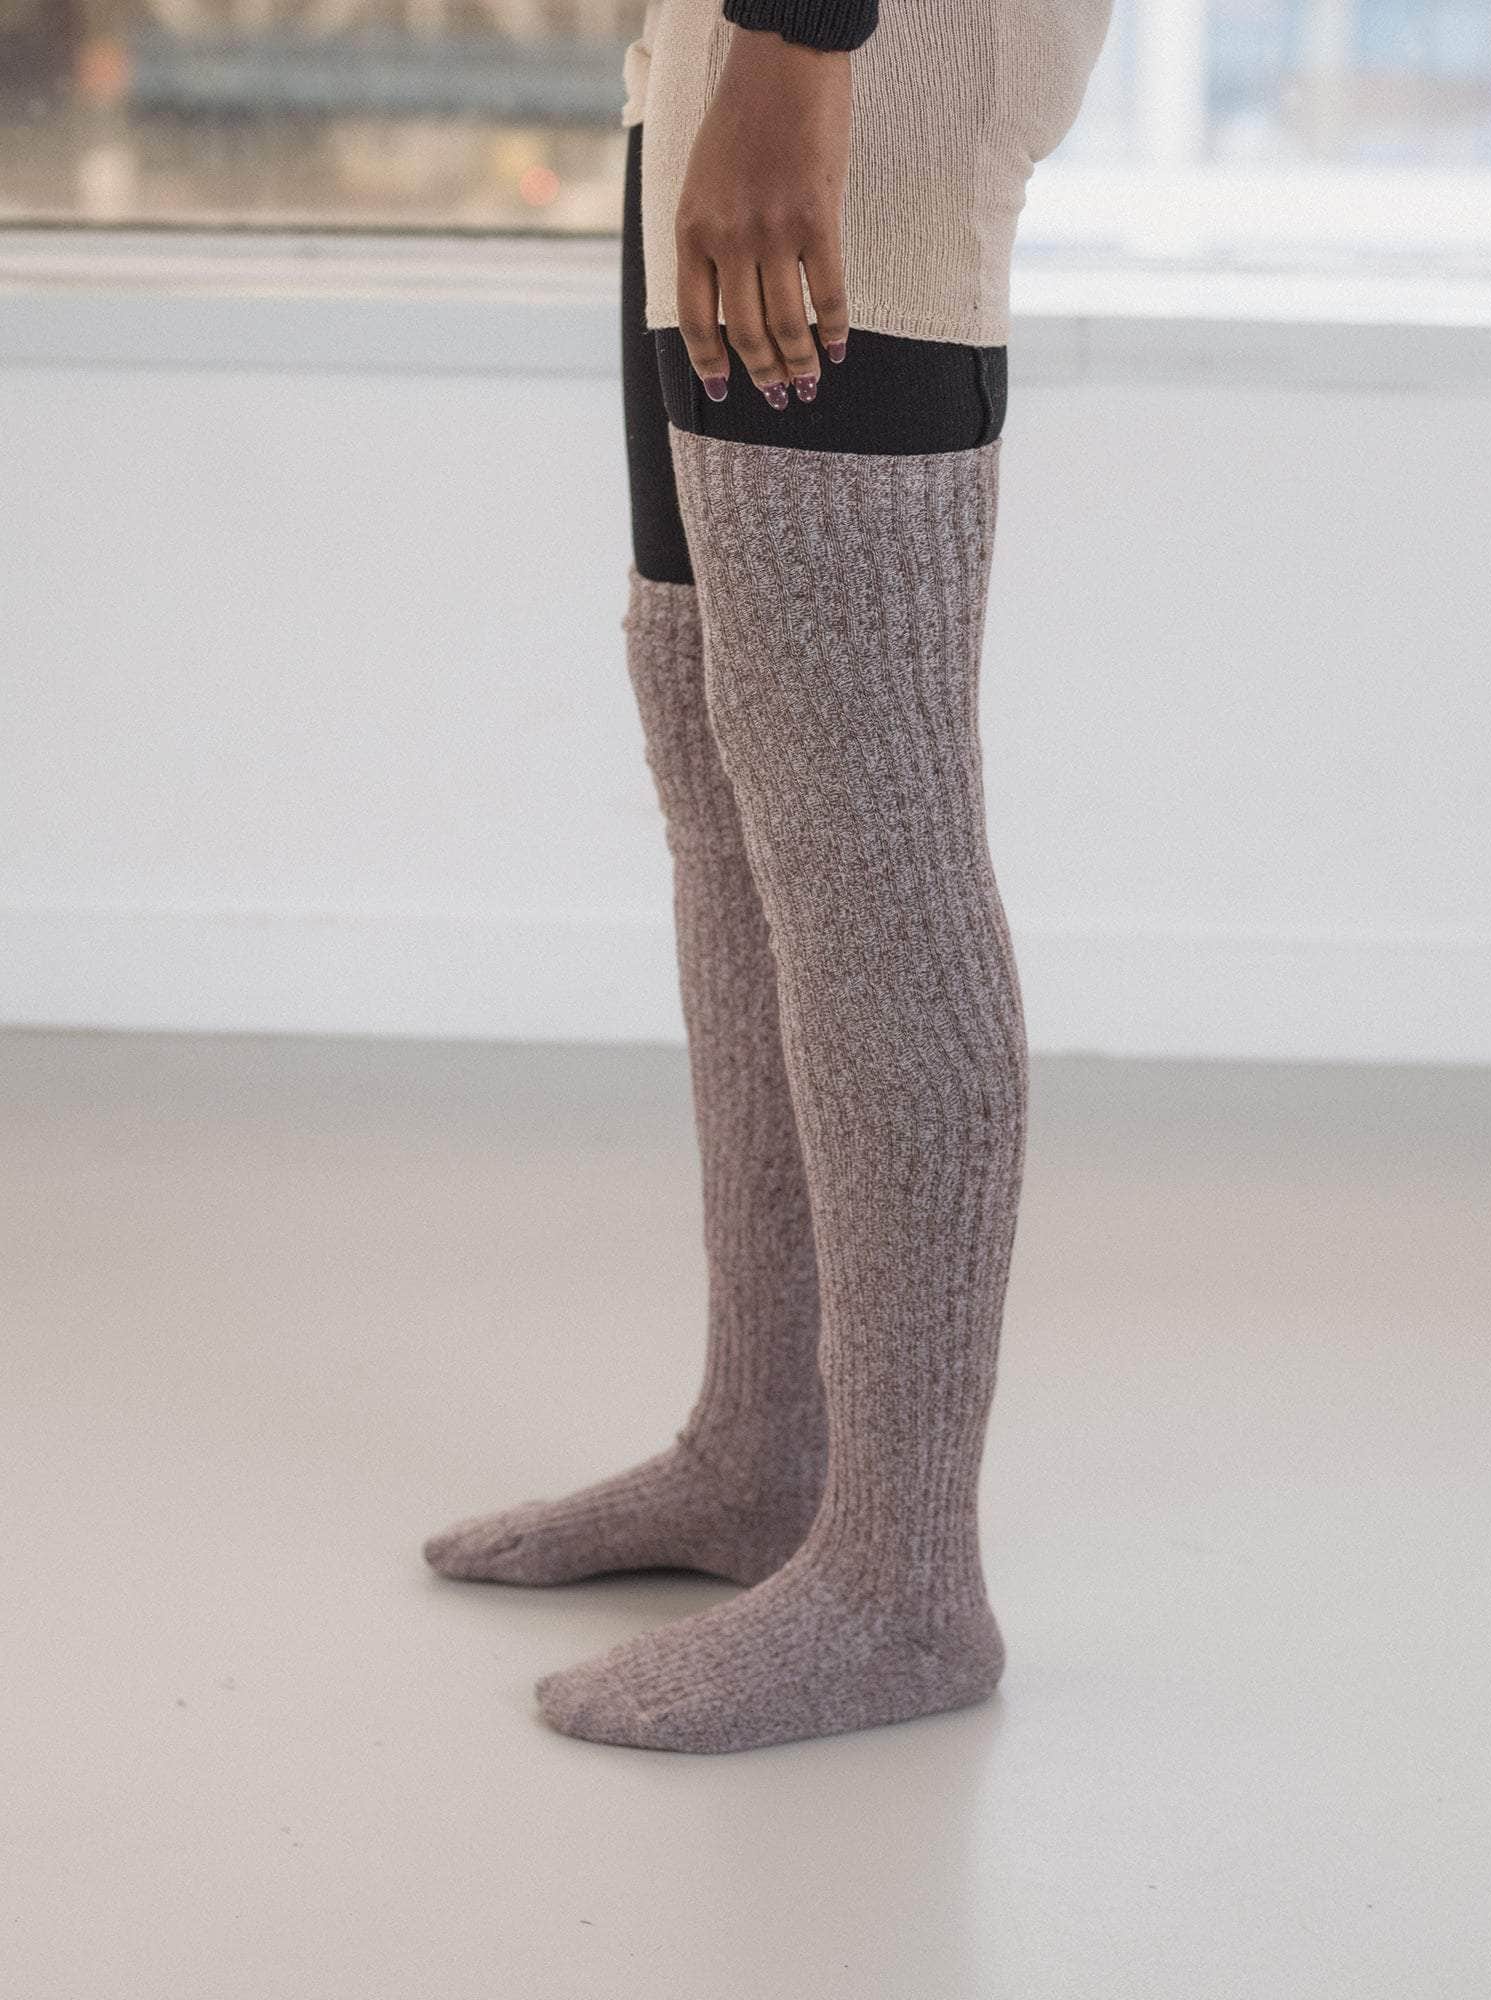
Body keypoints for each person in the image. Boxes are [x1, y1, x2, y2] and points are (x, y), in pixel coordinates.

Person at [424, 0, 1113, 1753]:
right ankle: (763, 1455)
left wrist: (800, 49)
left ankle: (903, 1585)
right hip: (723, 32)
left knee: (859, 800)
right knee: (708, 703)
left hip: (860, 41)